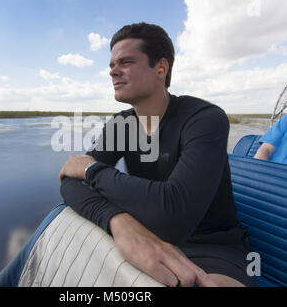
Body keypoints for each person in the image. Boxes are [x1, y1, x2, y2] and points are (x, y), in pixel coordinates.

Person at [59, 22, 256, 287]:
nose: (113, 72)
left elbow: (173, 214)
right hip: (143, 235)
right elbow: (70, 184)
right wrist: (118, 222)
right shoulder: (122, 125)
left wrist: (92, 171)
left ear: (161, 68)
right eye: (111, 65)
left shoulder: (204, 119)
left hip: (211, 246)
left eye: (125, 62)